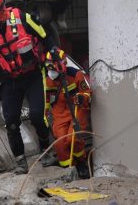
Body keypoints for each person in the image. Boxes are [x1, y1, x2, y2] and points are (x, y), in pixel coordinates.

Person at [0, 0, 58, 174]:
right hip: (9, 81)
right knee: (11, 122)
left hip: (32, 75)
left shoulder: (22, 18)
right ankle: (21, 162)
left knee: (37, 116)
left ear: (0, 12)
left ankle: (47, 152)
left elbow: (44, 36)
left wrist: (53, 52)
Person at [43, 48, 92, 179]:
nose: (50, 72)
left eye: (53, 68)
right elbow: (47, 100)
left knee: (73, 138)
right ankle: (68, 168)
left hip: (76, 109)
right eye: (49, 69)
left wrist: (83, 98)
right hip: (59, 113)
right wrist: (46, 115)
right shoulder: (48, 80)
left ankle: (82, 163)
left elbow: (87, 92)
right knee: (60, 143)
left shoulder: (76, 75)